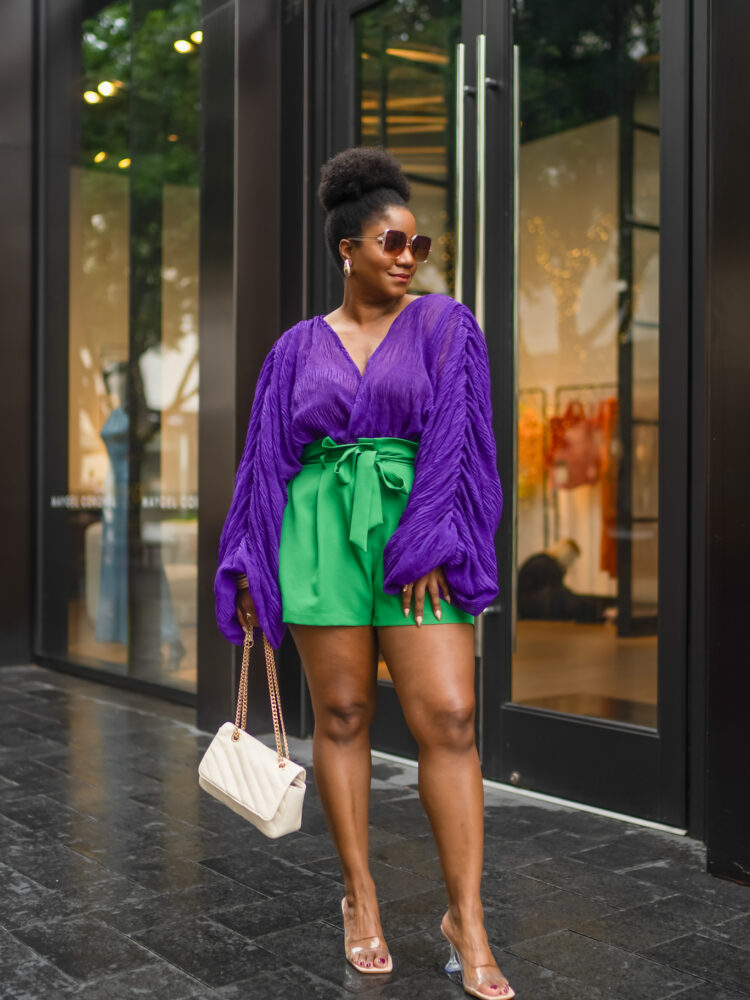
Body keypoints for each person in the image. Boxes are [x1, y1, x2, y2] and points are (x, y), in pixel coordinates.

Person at [214, 147, 511, 1000]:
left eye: (417, 246)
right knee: (342, 714)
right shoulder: (295, 349)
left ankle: (468, 917)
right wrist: (247, 562)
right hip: (318, 536)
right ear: (347, 248)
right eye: (392, 243)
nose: (409, 259)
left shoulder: (447, 325)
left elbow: (463, 445)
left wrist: (430, 541)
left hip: (416, 539)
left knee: (449, 716)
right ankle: (361, 898)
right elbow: (264, 465)